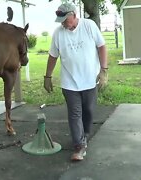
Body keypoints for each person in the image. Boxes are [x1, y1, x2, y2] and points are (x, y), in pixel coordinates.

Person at [43, 3, 108, 161]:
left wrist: (104, 71)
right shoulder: (58, 33)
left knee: (88, 112)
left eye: (65, 19)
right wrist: (47, 76)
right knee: (74, 113)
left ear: (73, 14)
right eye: (61, 20)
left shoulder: (89, 25)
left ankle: (84, 135)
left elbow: (101, 46)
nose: (63, 23)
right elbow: (53, 56)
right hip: (69, 82)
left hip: (90, 80)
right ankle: (79, 146)